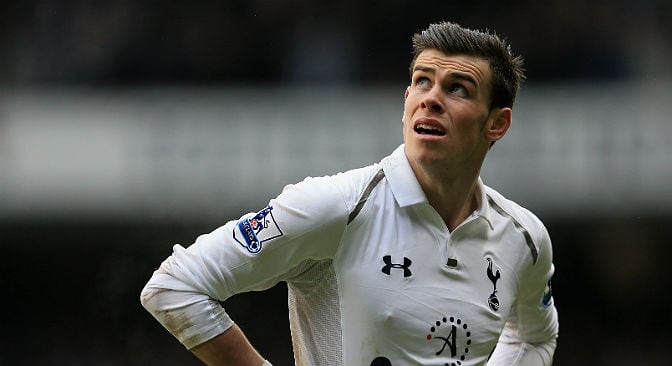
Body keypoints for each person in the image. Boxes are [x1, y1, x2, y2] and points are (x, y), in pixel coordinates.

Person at [141, 21, 559, 366]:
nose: (431, 99)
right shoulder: (337, 205)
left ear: (497, 124)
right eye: (422, 82)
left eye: (458, 89)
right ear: (406, 101)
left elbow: (534, 337)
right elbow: (176, 285)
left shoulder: (524, 237)